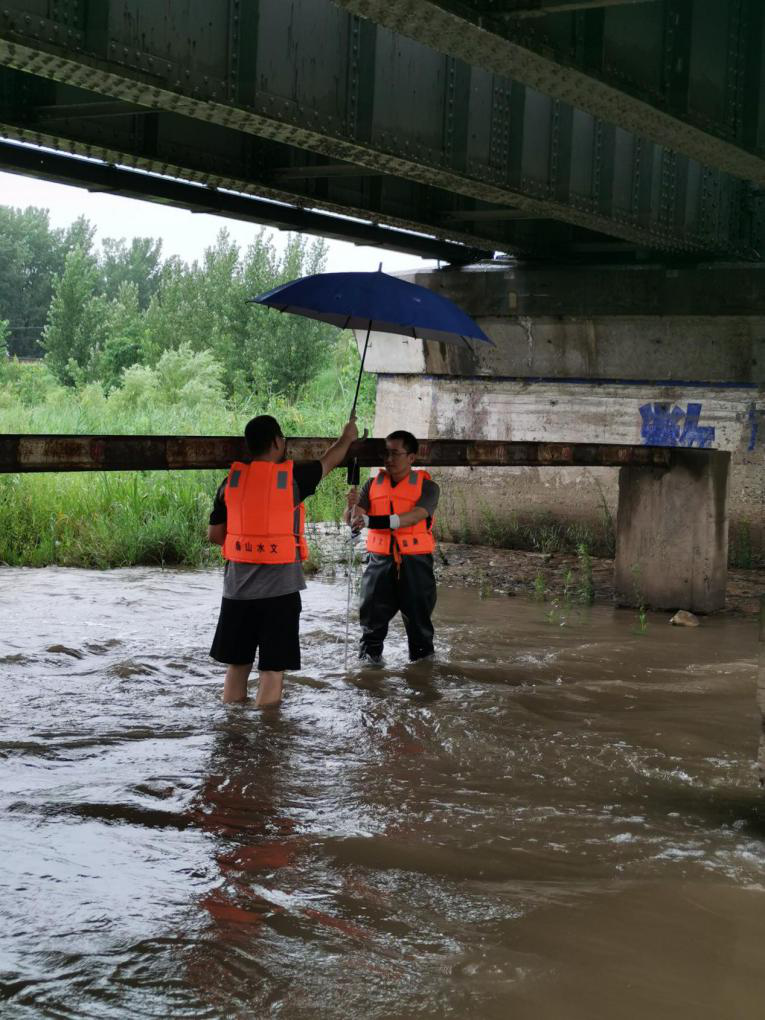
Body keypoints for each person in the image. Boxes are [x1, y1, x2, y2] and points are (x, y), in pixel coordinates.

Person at [208, 413, 358, 706]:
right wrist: (347, 437)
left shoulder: (230, 483)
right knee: (273, 670)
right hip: (280, 593)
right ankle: (269, 740)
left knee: (237, 666)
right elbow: (331, 460)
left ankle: (232, 733)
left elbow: (215, 534)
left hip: (237, 590)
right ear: (278, 442)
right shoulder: (290, 480)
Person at [345, 430, 439, 666]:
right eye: (386, 453)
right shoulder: (371, 485)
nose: (389, 459)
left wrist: (372, 522)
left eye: (395, 453)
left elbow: (415, 516)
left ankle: (422, 677)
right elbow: (355, 519)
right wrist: (351, 511)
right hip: (379, 562)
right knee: (371, 627)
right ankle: (368, 679)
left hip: (415, 564)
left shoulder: (428, 487)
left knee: (420, 630)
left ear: (411, 458)